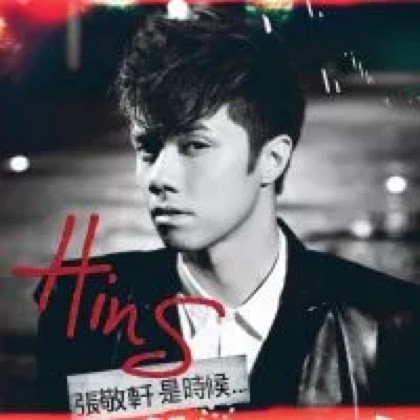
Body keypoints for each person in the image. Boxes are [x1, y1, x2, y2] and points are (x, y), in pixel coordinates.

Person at [34, 12, 420, 412]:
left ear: (272, 159)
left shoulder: (387, 326)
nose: (159, 177)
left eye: (194, 146)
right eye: (148, 148)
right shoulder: (82, 310)